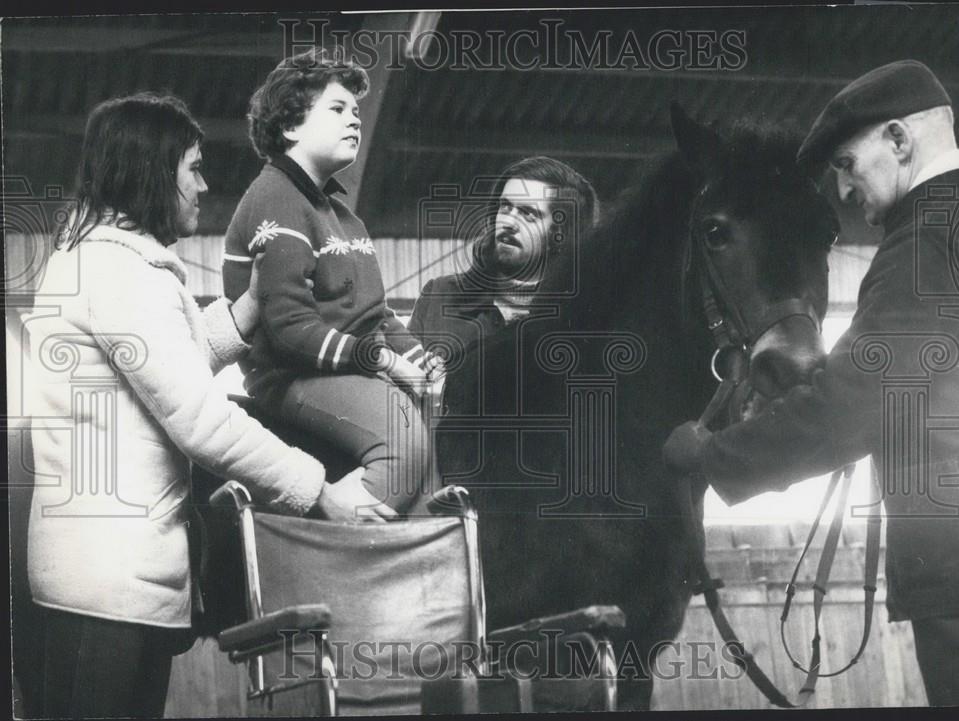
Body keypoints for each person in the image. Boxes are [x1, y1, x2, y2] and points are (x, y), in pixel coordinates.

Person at [663, 60, 959, 705]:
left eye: (846, 163)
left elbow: (855, 402)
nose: (842, 191)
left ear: (899, 140)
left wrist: (712, 456)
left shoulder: (930, 237)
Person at [24, 92, 351, 719]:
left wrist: (255, 299)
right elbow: (200, 417)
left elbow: (175, 361)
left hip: (112, 581)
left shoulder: (114, 263)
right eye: (193, 168)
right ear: (154, 171)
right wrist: (319, 490)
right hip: (105, 586)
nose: (203, 185)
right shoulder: (114, 272)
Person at [223, 48, 442, 521]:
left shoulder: (345, 217)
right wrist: (383, 361)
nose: (355, 121)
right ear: (290, 127)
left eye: (357, 112)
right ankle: (327, 532)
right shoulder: (275, 198)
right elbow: (288, 327)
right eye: (337, 109)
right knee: (403, 437)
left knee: (430, 479)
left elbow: (375, 313)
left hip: (344, 372)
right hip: (291, 377)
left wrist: (424, 362)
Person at [408, 156, 599, 362]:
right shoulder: (439, 294)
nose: (508, 222)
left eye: (528, 214)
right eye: (505, 207)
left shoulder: (582, 316)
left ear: (560, 233)